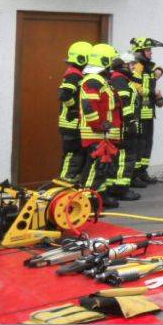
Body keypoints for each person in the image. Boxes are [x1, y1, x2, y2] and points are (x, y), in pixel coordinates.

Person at [79, 43, 121, 208]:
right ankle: (86, 202)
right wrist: (97, 125)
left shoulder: (100, 80)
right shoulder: (94, 80)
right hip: (94, 132)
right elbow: (88, 105)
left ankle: (100, 196)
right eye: (112, 60)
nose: (114, 65)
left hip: (101, 132)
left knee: (101, 167)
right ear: (105, 61)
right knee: (94, 168)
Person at [129, 37, 163, 188]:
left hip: (148, 113)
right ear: (140, 51)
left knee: (147, 144)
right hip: (138, 114)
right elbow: (136, 87)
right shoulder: (137, 67)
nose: (151, 52)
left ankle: (143, 172)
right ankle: (134, 175)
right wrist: (152, 93)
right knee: (138, 145)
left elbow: (158, 69)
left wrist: (159, 71)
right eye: (148, 50)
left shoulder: (148, 66)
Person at [108, 53, 141, 202]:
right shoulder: (119, 79)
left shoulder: (121, 78)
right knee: (125, 158)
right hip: (123, 126)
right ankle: (121, 189)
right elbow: (124, 103)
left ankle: (116, 188)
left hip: (122, 125)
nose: (134, 67)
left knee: (122, 158)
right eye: (131, 64)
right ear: (124, 65)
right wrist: (130, 122)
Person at [57, 41, 91, 182]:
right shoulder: (73, 75)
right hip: (71, 123)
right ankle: (64, 182)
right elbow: (64, 94)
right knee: (72, 156)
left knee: (78, 155)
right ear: (83, 59)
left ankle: (72, 184)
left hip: (74, 122)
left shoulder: (77, 73)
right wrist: (73, 108)